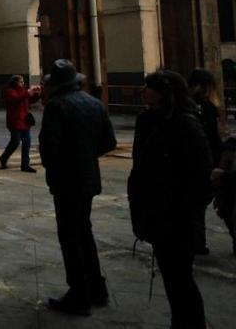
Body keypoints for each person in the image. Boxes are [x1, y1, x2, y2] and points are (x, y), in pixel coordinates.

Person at [130, 70, 211, 328]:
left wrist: (183, 209)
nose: (143, 91)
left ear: (164, 92)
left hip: (177, 217)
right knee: (173, 278)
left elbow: (201, 174)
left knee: (180, 280)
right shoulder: (152, 120)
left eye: (148, 87)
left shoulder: (185, 123)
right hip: (159, 214)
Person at [39, 59, 116, 316]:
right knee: (84, 232)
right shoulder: (95, 104)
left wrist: (62, 162)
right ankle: (98, 288)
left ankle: (79, 295)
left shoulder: (56, 106)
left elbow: (49, 149)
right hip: (88, 178)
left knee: (70, 238)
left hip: (65, 181)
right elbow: (109, 142)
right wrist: (86, 155)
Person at [187, 68, 222, 255]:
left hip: (192, 163)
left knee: (195, 207)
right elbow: (214, 138)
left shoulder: (184, 106)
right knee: (201, 205)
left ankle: (196, 242)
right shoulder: (207, 108)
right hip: (206, 162)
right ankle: (197, 243)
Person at [0, 75, 42, 173]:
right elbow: (16, 98)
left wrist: (36, 94)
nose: (22, 83)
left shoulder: (23, 90)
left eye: (23, 82)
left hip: (25, 120)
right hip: (15, 121)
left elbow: (29, 100)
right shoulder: (9, 91)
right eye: (20, 82)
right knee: (15, 142)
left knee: (27, 142)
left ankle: (25, 164)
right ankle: (4, 158)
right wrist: (28, 92)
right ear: (14, 83)